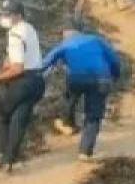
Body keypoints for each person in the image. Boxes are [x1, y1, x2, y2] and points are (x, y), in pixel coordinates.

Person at [0, 0, 45, 171]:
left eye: (8, 15)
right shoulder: (29, 29)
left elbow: (17, 68)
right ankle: (10, 160)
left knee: (3, 114)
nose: (4, 18)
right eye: (3, 14)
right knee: (19, 120)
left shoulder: (14, 34)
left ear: (18, 15)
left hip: (22, 82)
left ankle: (2, 154)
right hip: (37, 82)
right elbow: (11, 60)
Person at [42, 17, 122, 161]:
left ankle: (66, 121)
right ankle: (84, 152)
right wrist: (115, 76)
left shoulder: (64, 44)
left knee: (69, 96)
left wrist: (32, 75)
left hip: (77, 78)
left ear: (66, 32)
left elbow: (46, 62)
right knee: (93, 116)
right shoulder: (96, 40)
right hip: (101, 79)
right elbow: (114, 60)